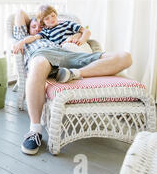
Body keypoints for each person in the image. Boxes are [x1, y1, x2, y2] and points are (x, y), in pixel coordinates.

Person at [12, 9, 132, 155]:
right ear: (27, 29)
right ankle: (35, 131)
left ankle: (74, 74)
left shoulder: (51, 32)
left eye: (40, 26)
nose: (38, 29)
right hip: (42, 57)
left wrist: (71, 33)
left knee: (125, 57)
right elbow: (19, 14)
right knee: (38, 64)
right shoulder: (23, 37)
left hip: (67, 55)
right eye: (34, 26)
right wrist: (37, 18)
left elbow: (80, 33)